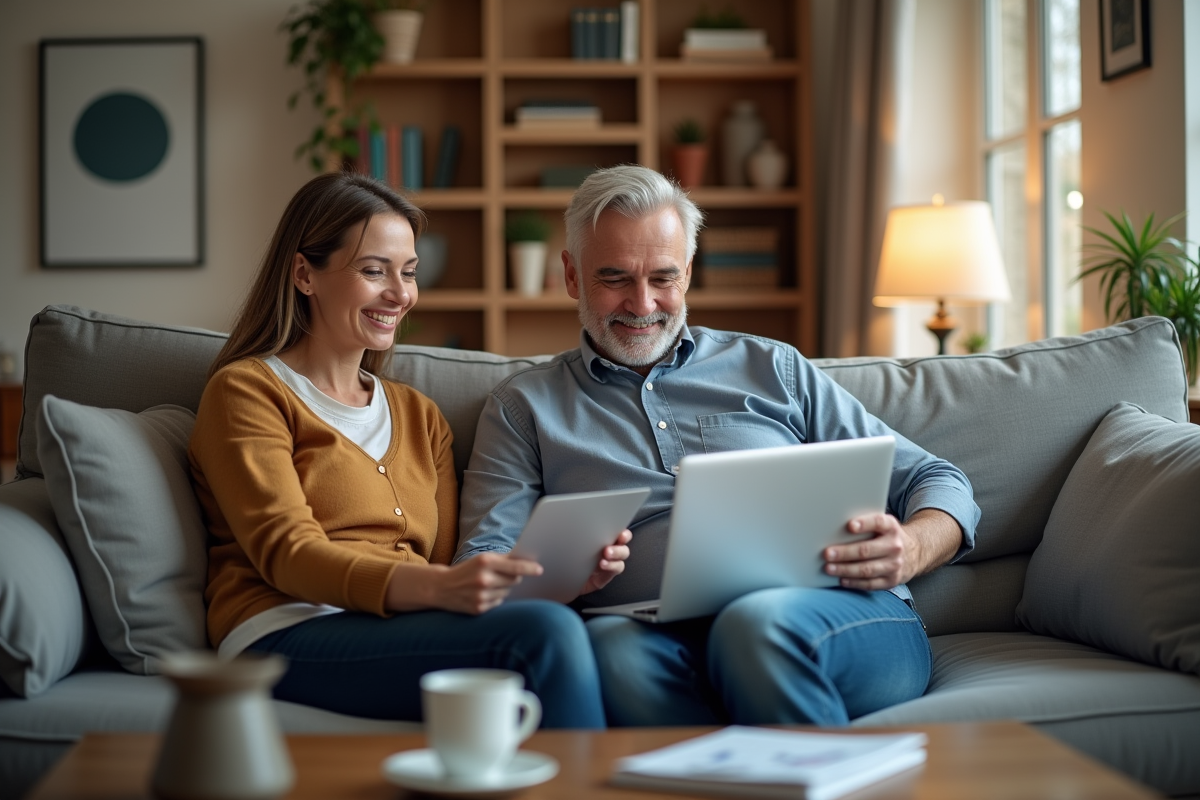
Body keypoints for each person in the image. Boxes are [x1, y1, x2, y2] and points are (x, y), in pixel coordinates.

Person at [454, 164, 981, 727]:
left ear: (687, 272)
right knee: (608, 653)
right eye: (614, 278)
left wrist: (915, 547)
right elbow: (479, 561)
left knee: (756, 623)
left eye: (662, 277)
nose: (642, 303)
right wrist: (554, 578)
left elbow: (937, 479)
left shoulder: (773, 367)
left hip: (832, 617)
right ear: (571, 276)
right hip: (648, 633)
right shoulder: (523, 408)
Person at [188, 172, 605, 728]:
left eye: (408, 273)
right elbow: (287, 555)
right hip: (282, 628)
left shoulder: (419, 415)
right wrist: (439, 588)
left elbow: (450, 564)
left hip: (399, 623)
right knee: (544, 637)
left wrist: (557, 577)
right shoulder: (248, 391)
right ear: (304, 274)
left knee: (558, 621)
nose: (400, 294)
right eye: (373, 270)